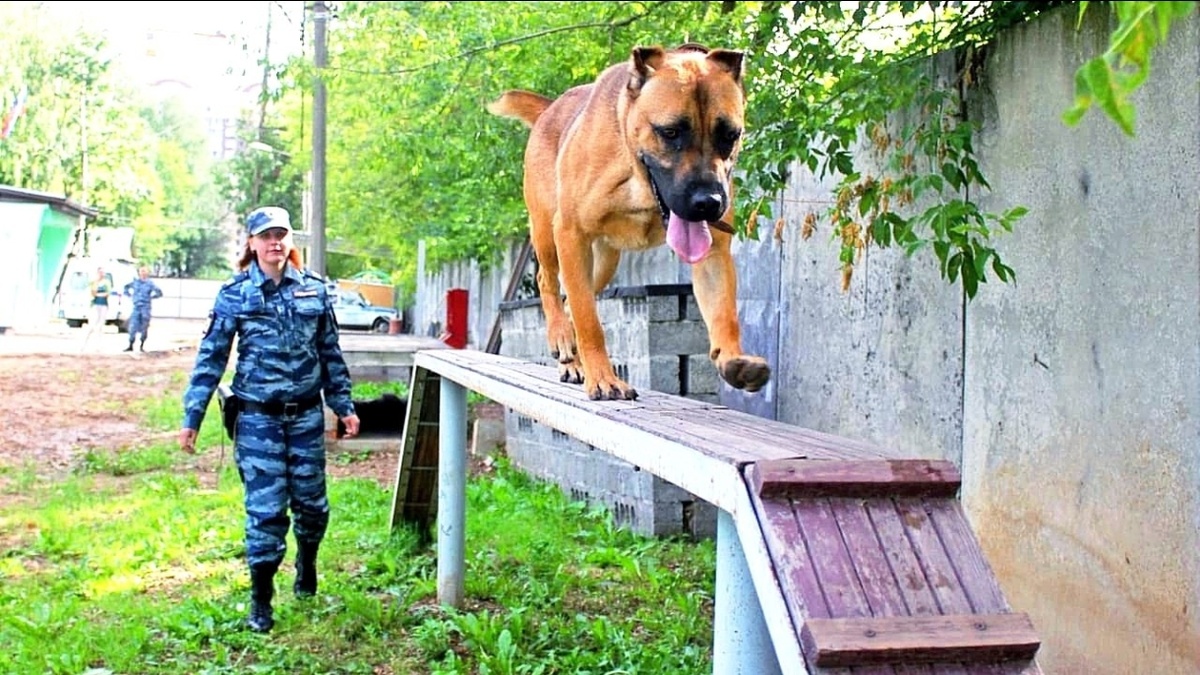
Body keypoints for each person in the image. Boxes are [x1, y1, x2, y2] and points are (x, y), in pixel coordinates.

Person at [178, 206, 361, 634]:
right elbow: (212, 357)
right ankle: (261, 601)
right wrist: (193, 416)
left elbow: (330, 353)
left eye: (281, 234)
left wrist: (345, 405)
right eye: (266, 235)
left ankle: (307, 567)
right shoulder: (235, 294)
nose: (274, 242)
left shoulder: (314, 291)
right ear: (252, 243)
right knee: (265, 512)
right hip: (258, 420)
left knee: (312, 505)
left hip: (306, 417)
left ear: (289, 241)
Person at [122, 266, 164, 352]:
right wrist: (130, 296)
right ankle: (130, 344)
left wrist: (151, 298)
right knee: (133, 326)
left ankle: (142, 345)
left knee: (144, 327)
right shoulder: (135, 282)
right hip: (136, 307)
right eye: (141, 271)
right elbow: (125, 288)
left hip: (146, 307)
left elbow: (159, 292)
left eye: (145, 271)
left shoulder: (150, 283)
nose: (143, 273)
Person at [82, 266, 112, 349]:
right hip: (95, 304)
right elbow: (93, 293)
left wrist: (100, 294)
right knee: (92, 324)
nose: (101, 274)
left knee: (100, 325)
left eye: (103, 272)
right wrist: (99, 293)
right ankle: (84, 344)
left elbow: (108, 293)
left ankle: (98, 345)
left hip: (104, 304)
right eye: (100, 272)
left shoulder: (107, 282)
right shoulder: (94, 282)